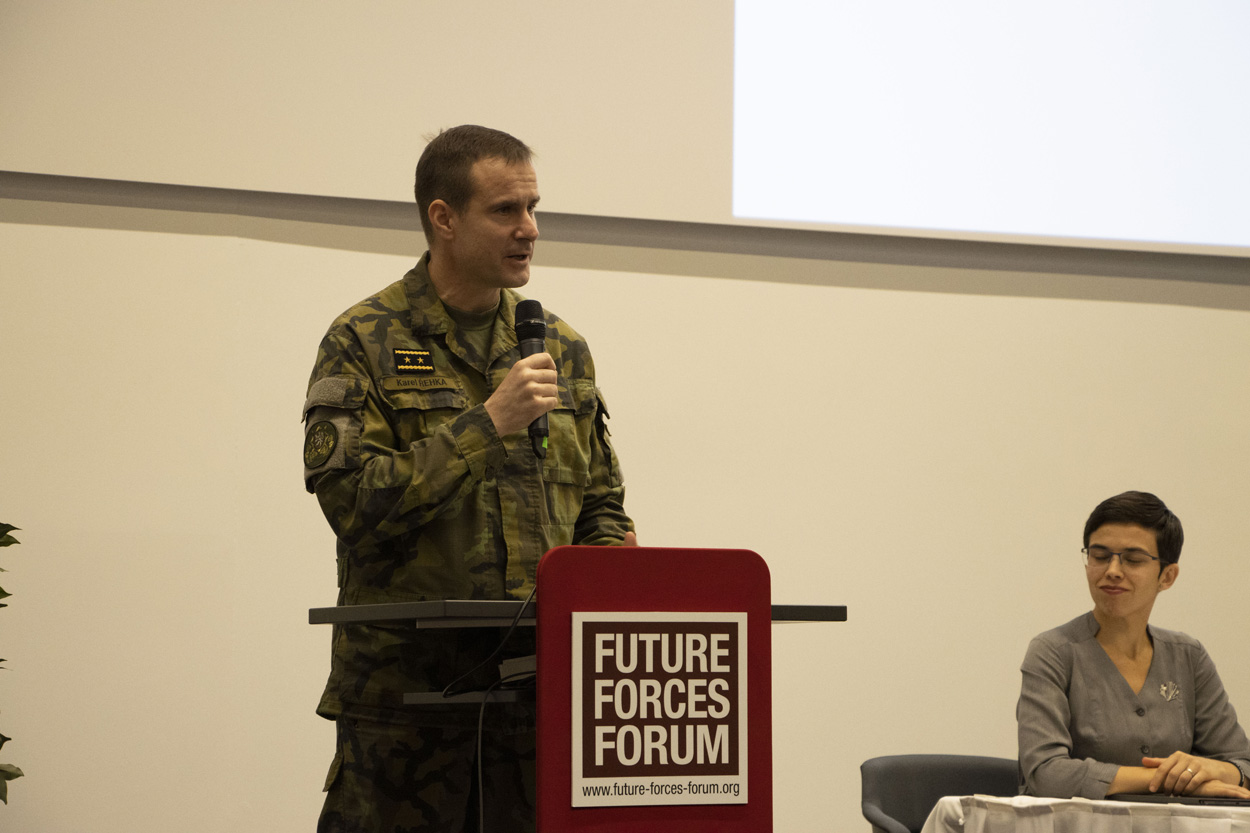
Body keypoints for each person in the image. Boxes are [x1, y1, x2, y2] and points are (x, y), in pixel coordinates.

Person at [302, 125, 636, 832]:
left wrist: (614, 599)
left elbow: (600, 508)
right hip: (408, 712)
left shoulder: (561, 348)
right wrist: (487, 425)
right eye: (505, 210)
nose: (530, 229)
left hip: (538, 707)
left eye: (533, 207)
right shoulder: (363, 339)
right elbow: (354, 504)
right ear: (444, 219)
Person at [1017, 491, 1250, 800]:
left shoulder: (1188, 656)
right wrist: (1167, 779)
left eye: (1134, 559)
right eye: (1100, 556)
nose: (1113, 570)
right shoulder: (1053, 652)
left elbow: (1241, 764)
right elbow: (1046, 774)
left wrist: (1212, 771)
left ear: (1167, 576)